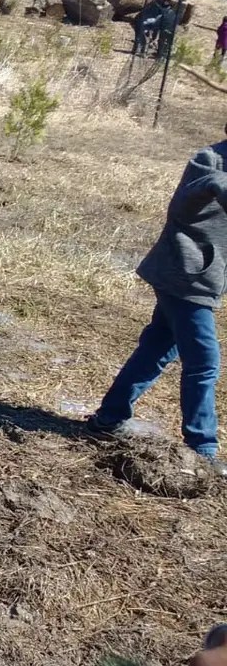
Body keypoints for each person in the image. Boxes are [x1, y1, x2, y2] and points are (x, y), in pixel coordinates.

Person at [87, 135, 227, 475]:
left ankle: (109, 417)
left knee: (156, 348)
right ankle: (202, 446)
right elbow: (181, 207)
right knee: (204, 362)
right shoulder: (208, 160)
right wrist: (218, 185)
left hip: (201, 278)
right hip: (183, 274)